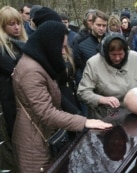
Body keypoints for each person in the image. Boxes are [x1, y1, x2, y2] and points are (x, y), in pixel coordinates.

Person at [11, 21, 112, 173]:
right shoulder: (32, 71)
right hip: (34, 144)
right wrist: (84, 121)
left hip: (42, 135)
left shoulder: (38, 63)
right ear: (48, 44)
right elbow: (46, 113)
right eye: (61, 47)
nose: (64, 52)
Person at [77, 33, 137, 119]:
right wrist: (101, 99)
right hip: (106, 116)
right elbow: (82, 92)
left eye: (120, 54)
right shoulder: (93, 63)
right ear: (106, 53)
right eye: (113, 55)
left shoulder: (136, 58)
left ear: (126, 51)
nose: (117, 58)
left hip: (133, 113)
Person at [0, 5, 28, 138]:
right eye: (12, 24)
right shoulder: (2, 49)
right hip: (12, 101)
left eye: (18, 23)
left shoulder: (22, 43)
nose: (17, 27)